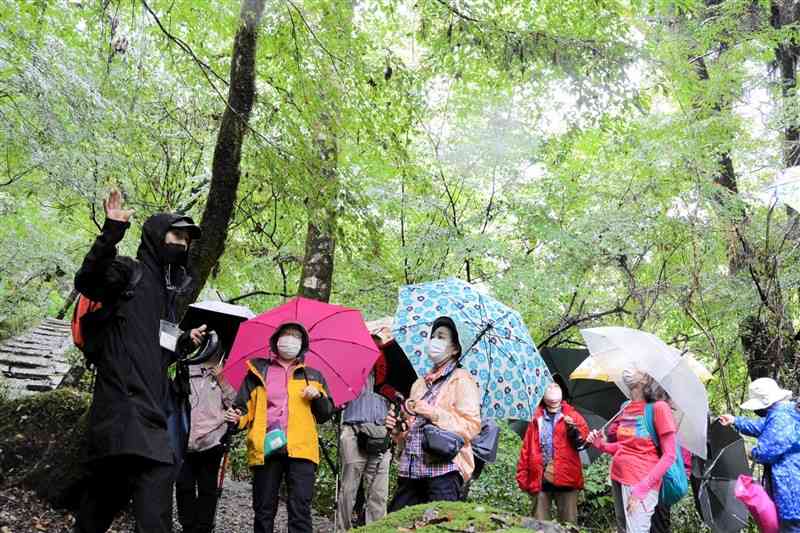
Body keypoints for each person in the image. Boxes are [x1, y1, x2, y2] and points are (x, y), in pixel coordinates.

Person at [73, 190, 207, 533]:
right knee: (106, 504)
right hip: (119, 409)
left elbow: (154, 352)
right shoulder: (127, 273)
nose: (183, 244)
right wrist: (111, 231)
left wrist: (181, 342)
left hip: (150, 412)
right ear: (155, 236)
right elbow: (88, 280)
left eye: (187, 240)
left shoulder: (168, 298)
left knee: (118, 504)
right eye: (176, 235)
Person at [224, 322, 335, 533]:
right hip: (266, 448)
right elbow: (243, 410)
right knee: (263, 509)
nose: (290, 340)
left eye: (296, 336)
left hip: (302, 450)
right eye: (286, 335)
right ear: (276, 341)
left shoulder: (313, 376)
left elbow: (325, 414)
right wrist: (235, 417)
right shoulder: (258, 372)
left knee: (300, 509)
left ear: (302, 345)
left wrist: (318, 396)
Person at [385, 316, 481, 511]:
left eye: (441, 336)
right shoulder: (419, 384)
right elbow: (408, 433)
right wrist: (397, 429)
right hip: (411, 470)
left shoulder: (462, 380)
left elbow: (471, 426)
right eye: (433, 336)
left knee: (439, 525)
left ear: (455, 349)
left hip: (444, 471)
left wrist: (431, 412)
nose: (434, 341)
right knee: (397, 522)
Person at [586, 368, 677, 533]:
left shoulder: (659, 408)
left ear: (645, 379)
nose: (629, 369)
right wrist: (601, 444)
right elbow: (625, 446)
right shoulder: (627, 407)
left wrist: (641, 490)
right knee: (624, 529)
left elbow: (669, 455)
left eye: (636, 367)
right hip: (618, 476)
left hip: (640, 481)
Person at [719, 377, 800, 533]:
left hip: (791, 489)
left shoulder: (780, 418)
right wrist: (735, 420)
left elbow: (766, 452)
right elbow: (761, 426)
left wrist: (750, 452)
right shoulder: (785, 411)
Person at [175, 333, 235, 533]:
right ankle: (188, 526)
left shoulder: (227, 370)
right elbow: (176, 397)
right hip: (185, 438)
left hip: (213, 439)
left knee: (208, 488)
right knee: (183, 486)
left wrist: (222, 378)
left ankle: (204, 527)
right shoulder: (187, 366)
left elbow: (235, 404)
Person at [334, 335, 394, 531]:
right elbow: (335, 402)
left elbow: (398, 408)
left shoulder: (390, 379)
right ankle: (343, 528)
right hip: (353, 431)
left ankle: (375, 529)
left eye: (378, 348)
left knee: (378, 492)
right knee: (349, 488)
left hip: (380, 437)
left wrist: (396, 415)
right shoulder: (348, 373)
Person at [516, 381, 589, 524]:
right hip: (539, 478)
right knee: (540, 525)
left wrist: (573, 430)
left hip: (567, 478)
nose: (552, 389)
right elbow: (526, 450)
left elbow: (584, 443)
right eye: (549, 387)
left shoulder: (574, 416)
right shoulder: (535, 418)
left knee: (568, 525)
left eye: (556, 386)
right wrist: (523, 479)